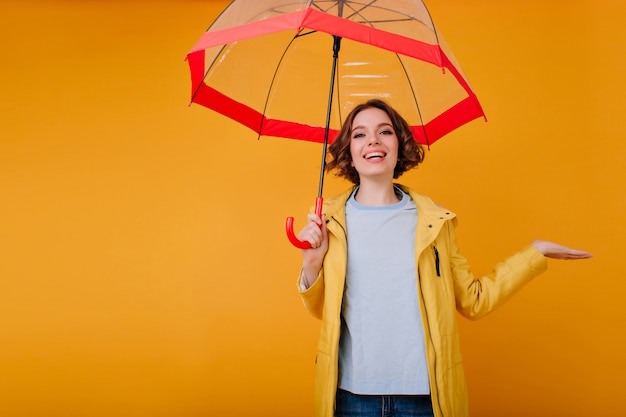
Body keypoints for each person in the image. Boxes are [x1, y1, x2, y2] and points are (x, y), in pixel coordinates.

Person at [295, 99, 592, 417]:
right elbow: (320, 310)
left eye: (385, 131)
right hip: (351, 396)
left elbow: (474, 301)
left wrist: (535, 253)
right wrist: (312, 261)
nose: (373, 141)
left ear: (400, 145)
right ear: (349, 152)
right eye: (359, 135)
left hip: (425, 396)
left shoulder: (435, 222)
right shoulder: (329, 221)